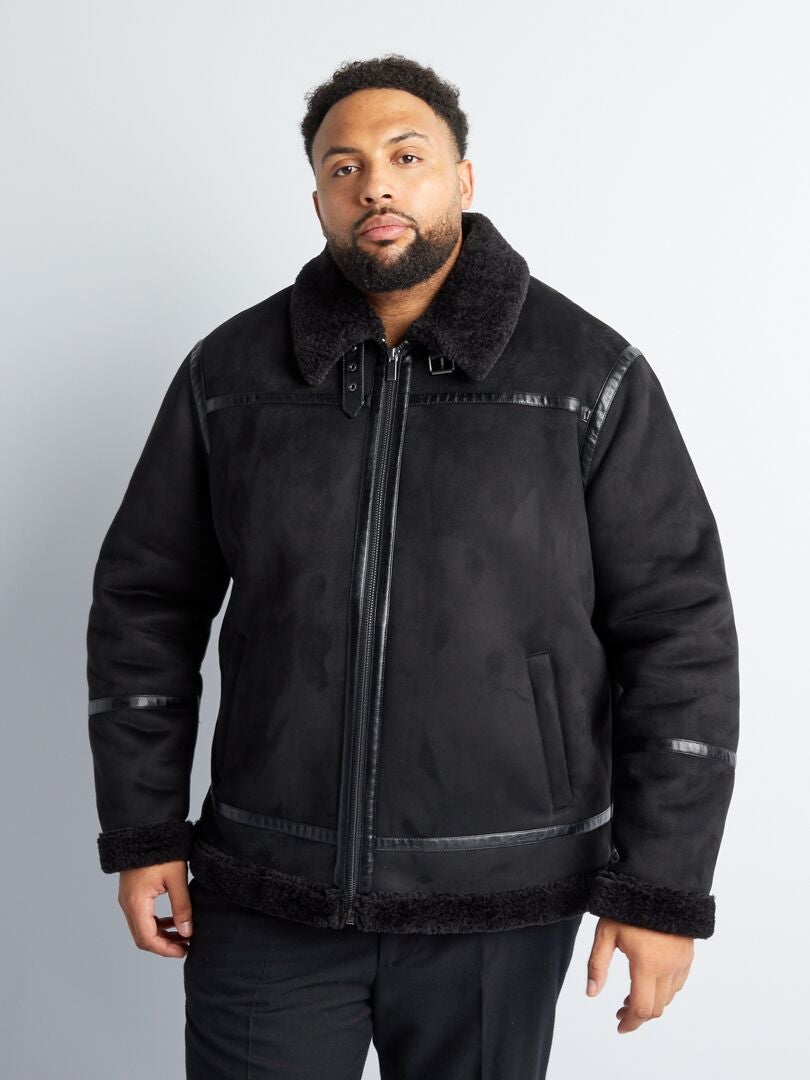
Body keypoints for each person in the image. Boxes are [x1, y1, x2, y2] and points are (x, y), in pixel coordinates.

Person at [86, 54, 740, 1079]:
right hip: (267, 886)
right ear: (318, 200)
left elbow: (680, 632)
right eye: (343, 167)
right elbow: (145, 605)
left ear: (462, 180)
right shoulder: (231, 375)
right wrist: (142, 832)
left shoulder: (586, 375)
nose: (375, 186)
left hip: (499, 902)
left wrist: (662, 888)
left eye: (405, 157)